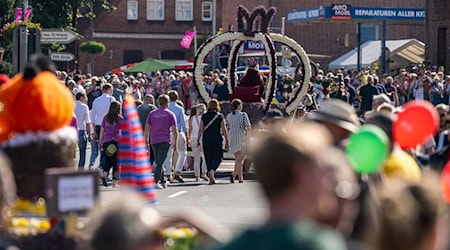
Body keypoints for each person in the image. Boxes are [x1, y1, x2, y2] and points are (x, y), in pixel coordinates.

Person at [213, 122, 349, 250]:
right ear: (301, 173)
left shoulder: (228, 246)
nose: (330, 184)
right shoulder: (319, 244)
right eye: (323, 172)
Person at [144, 94, 178, 189]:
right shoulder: (170, 114)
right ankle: (155, 181)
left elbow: (147, 128)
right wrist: (175, 142)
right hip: (165, 139)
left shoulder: (152, 113)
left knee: (159, 160)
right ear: (167, 103)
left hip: (154, 139)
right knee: (159, 161)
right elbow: (174, 129)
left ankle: (163, 181)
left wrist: (145, 140)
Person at [197, 99, 229, 185]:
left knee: (208, 157)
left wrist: (198, 139)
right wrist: (227, 141)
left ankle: (210, 172)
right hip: (217, 138)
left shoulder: (204, 116)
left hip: (206, 138)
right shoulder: (220, 116)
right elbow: (224, 129)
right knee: (219, 156)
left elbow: (200, 129)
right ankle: (212, 171)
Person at [89, 83, 115, 170]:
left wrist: (93, 131)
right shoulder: (111, 99)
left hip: (98, 125)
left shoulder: (96, 100)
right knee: (108, 148)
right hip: (109, 126)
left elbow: (92, 117)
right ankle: (103, 168)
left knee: (101, 148)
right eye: (111, 90)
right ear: (108, 90)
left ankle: (101, 166)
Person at [164, 91, 187, 183]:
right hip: (178, 130)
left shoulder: (166, 108)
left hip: (167, 132)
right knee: (182, 153)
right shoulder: (179, 108)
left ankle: (168, 173)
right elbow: (183, 122)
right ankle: (177, 171)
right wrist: (186, 134)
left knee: (168, 154)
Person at [226, 99, 251, 183]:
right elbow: (248, 126)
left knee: (238, 158)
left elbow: (227, 126)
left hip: (232, 136)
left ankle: (240, 178)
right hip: (241, 136)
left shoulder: (229, 116)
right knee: (240, 159)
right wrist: (248, 137)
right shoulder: (243, 115)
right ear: (239, 106)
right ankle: (233, 174)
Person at [99, 101, 122, 188]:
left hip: (107, 141)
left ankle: (105, 174)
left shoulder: (106, 117)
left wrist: (101, 142)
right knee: (116, 162)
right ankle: (114, 182)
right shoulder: (120, 118)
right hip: (117, 141)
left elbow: (102, 130)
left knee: (108, 160)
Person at [188, 104, 209, 182]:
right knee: (205, 157)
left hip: (194, 138)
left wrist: (188, 139)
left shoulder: (192, 118)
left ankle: (197, 176)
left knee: (196, 158)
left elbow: (190, 129)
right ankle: (204, 173)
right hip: (203, 138)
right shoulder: (205, 118)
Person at [74, 92, 92, 170]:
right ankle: (80, 169)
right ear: (81, 97)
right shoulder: (84, 107)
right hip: (81, 130)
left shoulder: (71, 105)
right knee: (82, 152)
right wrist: (89, 133)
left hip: (72, 130)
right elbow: (87, 122)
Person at [137, 94, 157, 163]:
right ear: (151, 100)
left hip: (139, 131)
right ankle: (151, 163)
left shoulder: (138, 108)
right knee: (152, 149)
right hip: (151, 131)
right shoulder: (153, 108)